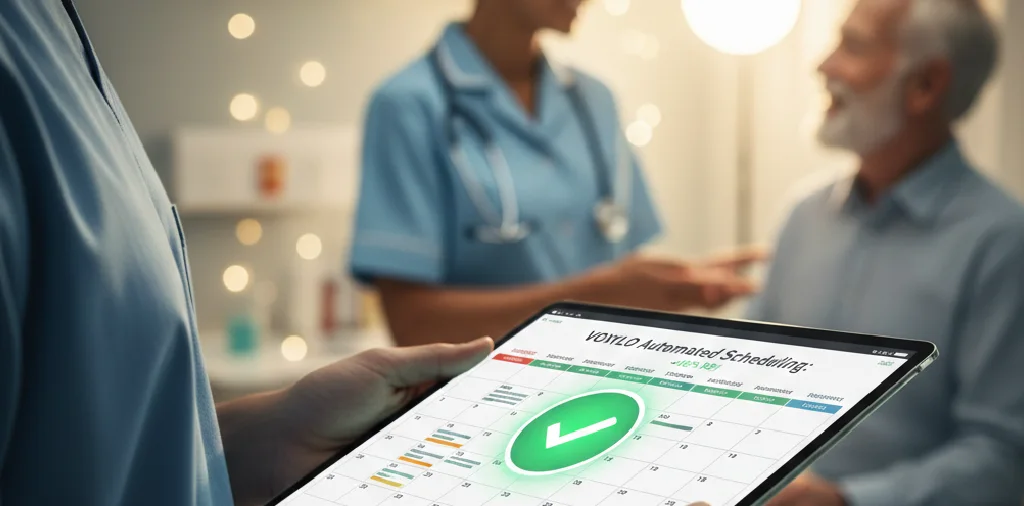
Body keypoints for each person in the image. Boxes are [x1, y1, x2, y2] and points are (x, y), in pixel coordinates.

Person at [350, 0, 764, 346]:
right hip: (477, 405)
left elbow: (617, 269)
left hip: (592, 390)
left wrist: (671, 287)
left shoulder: (593, 101)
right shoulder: (408, 105)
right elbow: (412, 326)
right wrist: (601, 294)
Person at [747, 1, 1024, 505]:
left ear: (925, 86)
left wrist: (847, 500)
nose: (823, 65)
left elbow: (1005, 456)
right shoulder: (802, 217)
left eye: (853, 46)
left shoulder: (1003, 244)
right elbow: (744, 383)